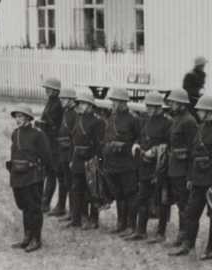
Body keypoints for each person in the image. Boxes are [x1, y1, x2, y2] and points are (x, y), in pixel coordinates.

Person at [170, 93, 212, 259]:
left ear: (209, 111)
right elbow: (193, 155)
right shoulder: (200, 128)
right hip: (198, 180)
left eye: (200, 110)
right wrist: (190, 177)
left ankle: (211, 249)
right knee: (190, 213)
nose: (197, 112)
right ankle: (188, 245)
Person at [7, 104, 54, 252]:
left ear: (28, 118)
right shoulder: (16, 134)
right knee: (23, 207)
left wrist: (45, 174)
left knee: (34, 207)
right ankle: (27, 236)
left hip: (32, 177)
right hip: (18, 176)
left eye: (21, 116)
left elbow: (46, 157)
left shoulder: (38, 134)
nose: (18, 119)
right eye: (16, 116)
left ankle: (36, 239)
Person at [131, 90, 173, 242]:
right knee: (143, 197)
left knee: (161, 200)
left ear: (158, 107)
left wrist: (154, 151)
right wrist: (136, 145)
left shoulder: (167, 122)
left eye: (151, 105)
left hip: (158, 168)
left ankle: (160, 233)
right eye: (147, 105)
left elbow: (169, 145)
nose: (148, 108)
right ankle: (140, 230)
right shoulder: (144, 119)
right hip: (144, 165)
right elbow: (139, 137)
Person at [102, 86, 144, 236]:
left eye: (115, 100)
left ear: (123, 102)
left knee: (130, 193)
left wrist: (133, 145)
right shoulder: (112, 117)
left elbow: (140, 136)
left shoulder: (133, 118)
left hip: (126, 162)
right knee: (118, 193)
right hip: (112, 162)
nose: (112, 103)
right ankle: (121, 223)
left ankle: (132, 226)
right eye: (112, 100)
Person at [165, 89, 198, 247]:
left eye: (173, 102)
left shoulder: (188, 121)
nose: (171, 104)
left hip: (184, 169)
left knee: (185, 204)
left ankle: (185, 236)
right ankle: (182, 233)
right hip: (174, 167)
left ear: (181, 103)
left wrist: (190, 175)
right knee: (179, 203)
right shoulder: (177, 118)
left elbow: (193, 151)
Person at [67, 89, 105, 229]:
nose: (81, 105)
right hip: (78, 159)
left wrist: (98, 163)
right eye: (79, 103)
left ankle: (93, 220)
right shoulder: (77, 119)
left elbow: (100, 144)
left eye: (84, 103)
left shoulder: (97, 121)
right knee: (76, 190)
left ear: (91, 105)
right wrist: (71, 159)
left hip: (91, 160)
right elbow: (73, 140)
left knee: (92, 191)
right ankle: (76, 218)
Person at [38, 76, 65, 214]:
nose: (47, 90)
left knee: (52, 173)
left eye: (50, 88)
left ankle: (47, 203)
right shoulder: (50, 102)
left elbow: (57, 124)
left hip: (54, 143)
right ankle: (45, 202)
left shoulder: (57, 104)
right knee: (49, 173)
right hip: (48, 141)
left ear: (56, 90)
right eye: (46, 88)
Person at [50, 85, 78, 214]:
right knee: (63, 179)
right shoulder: (66, 112)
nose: (61, 101)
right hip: (62, 150)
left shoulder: (75, 114)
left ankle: (74, 212)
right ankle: (62, 207)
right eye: (61, 99)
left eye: (64, 99)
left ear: (71, 99)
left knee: (71, 182)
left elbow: (75, 135)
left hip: (69, 151)